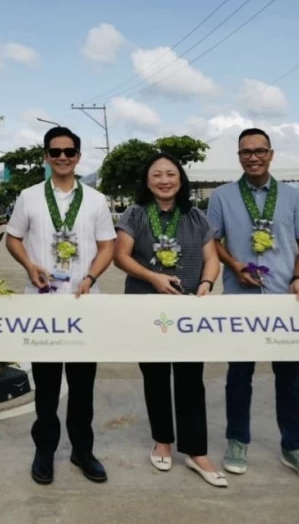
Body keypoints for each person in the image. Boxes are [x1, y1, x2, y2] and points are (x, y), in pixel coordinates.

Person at [206, 128, 299, 485]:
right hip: (241, 300)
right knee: (239, 376)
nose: (253, 157)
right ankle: (237, 441)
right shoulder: (223, 196)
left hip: (284, 299)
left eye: (260, 151)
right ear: (239, 156)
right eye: (246, 152)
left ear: (271, 154)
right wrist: (235, 265)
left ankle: (293, 446)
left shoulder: (292, 197)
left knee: (289, 377)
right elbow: (213, 243)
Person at [5, 126, 116, 486]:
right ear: (46, 157)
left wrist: (91, 278)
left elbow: (108, 247)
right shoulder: (29, 197)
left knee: (83, 385)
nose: (63, 157)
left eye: (69, 151)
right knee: (48, 385)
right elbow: (12, 238)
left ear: (79, 156)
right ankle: (45, 450)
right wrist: (29, 266)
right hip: (43, 304)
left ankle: (83, 450)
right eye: (56, 152)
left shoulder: (96, 200)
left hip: (84, 303)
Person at [114, 151, 225, 486]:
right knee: (156, 376)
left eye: (171, 174)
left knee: (191, 378)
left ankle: (196, 451)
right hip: (146, 307)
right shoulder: (134, 215)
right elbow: (121, 256)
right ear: (147, 181)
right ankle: (162, 440)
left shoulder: (197, 217)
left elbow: (212, 259)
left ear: (181, 180)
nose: (164, 180)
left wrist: (206, 284)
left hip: (187, 309)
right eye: (157, 174)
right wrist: (154, 278)